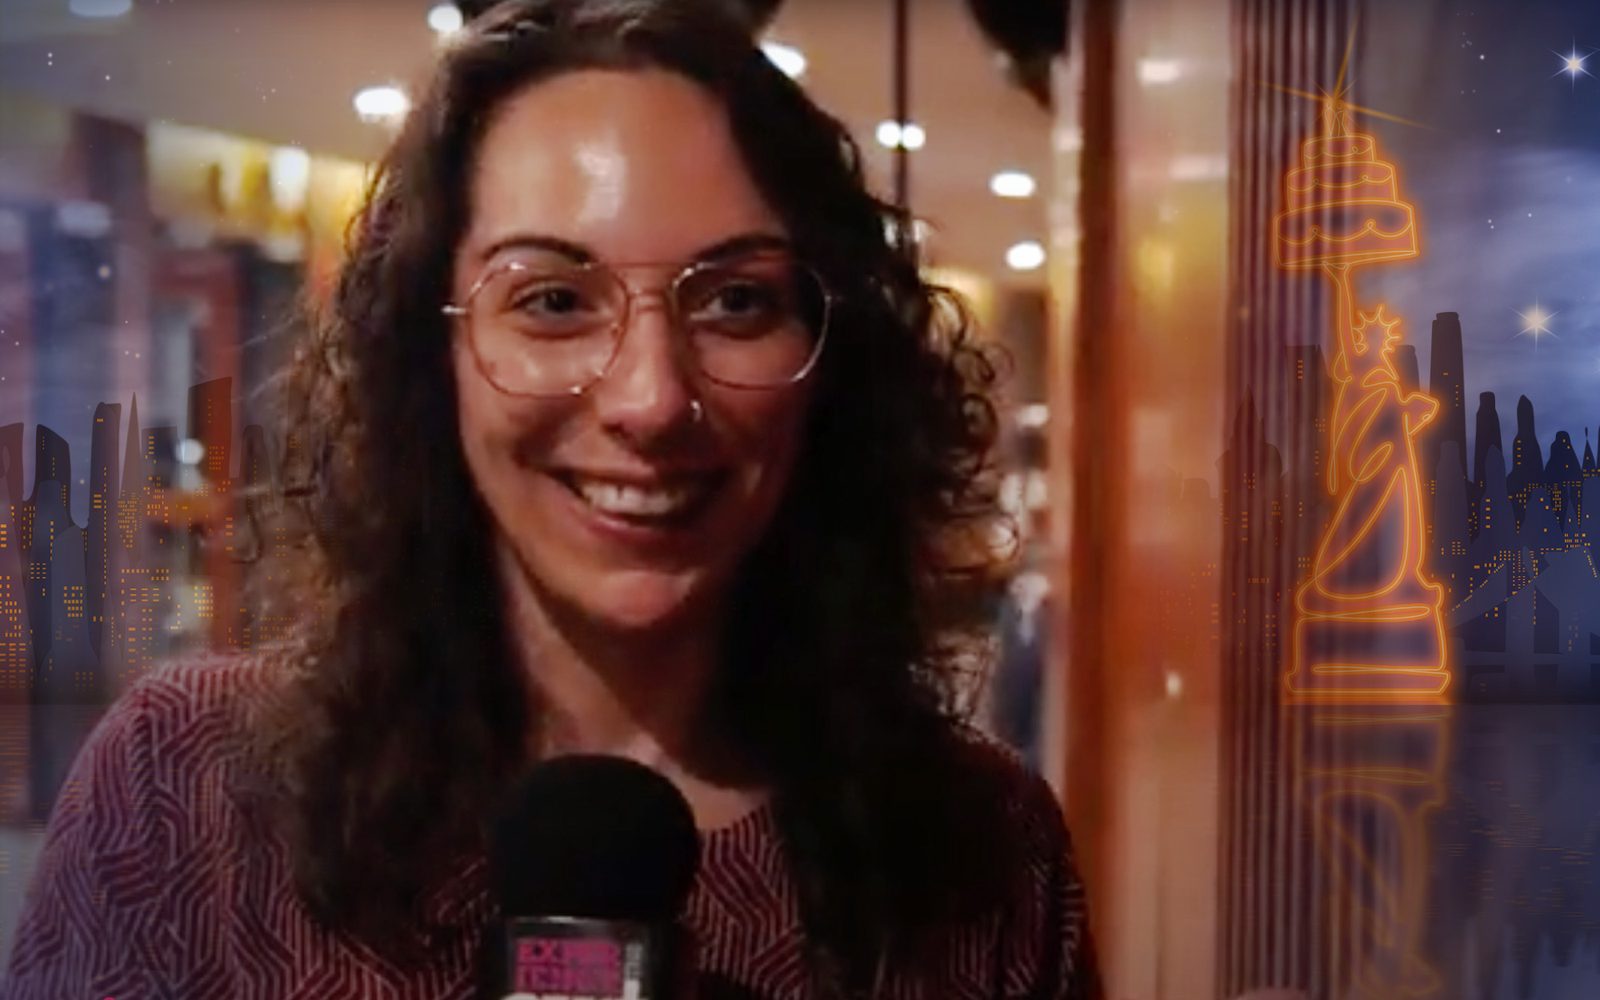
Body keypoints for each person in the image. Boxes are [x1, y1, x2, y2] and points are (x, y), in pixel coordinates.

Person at [1, 1, 1096, 996]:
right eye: (555, 300)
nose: (651, 397)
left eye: (734, 300)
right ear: (435, 357)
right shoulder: (183, 795)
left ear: (831, 362)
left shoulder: (984, 845)